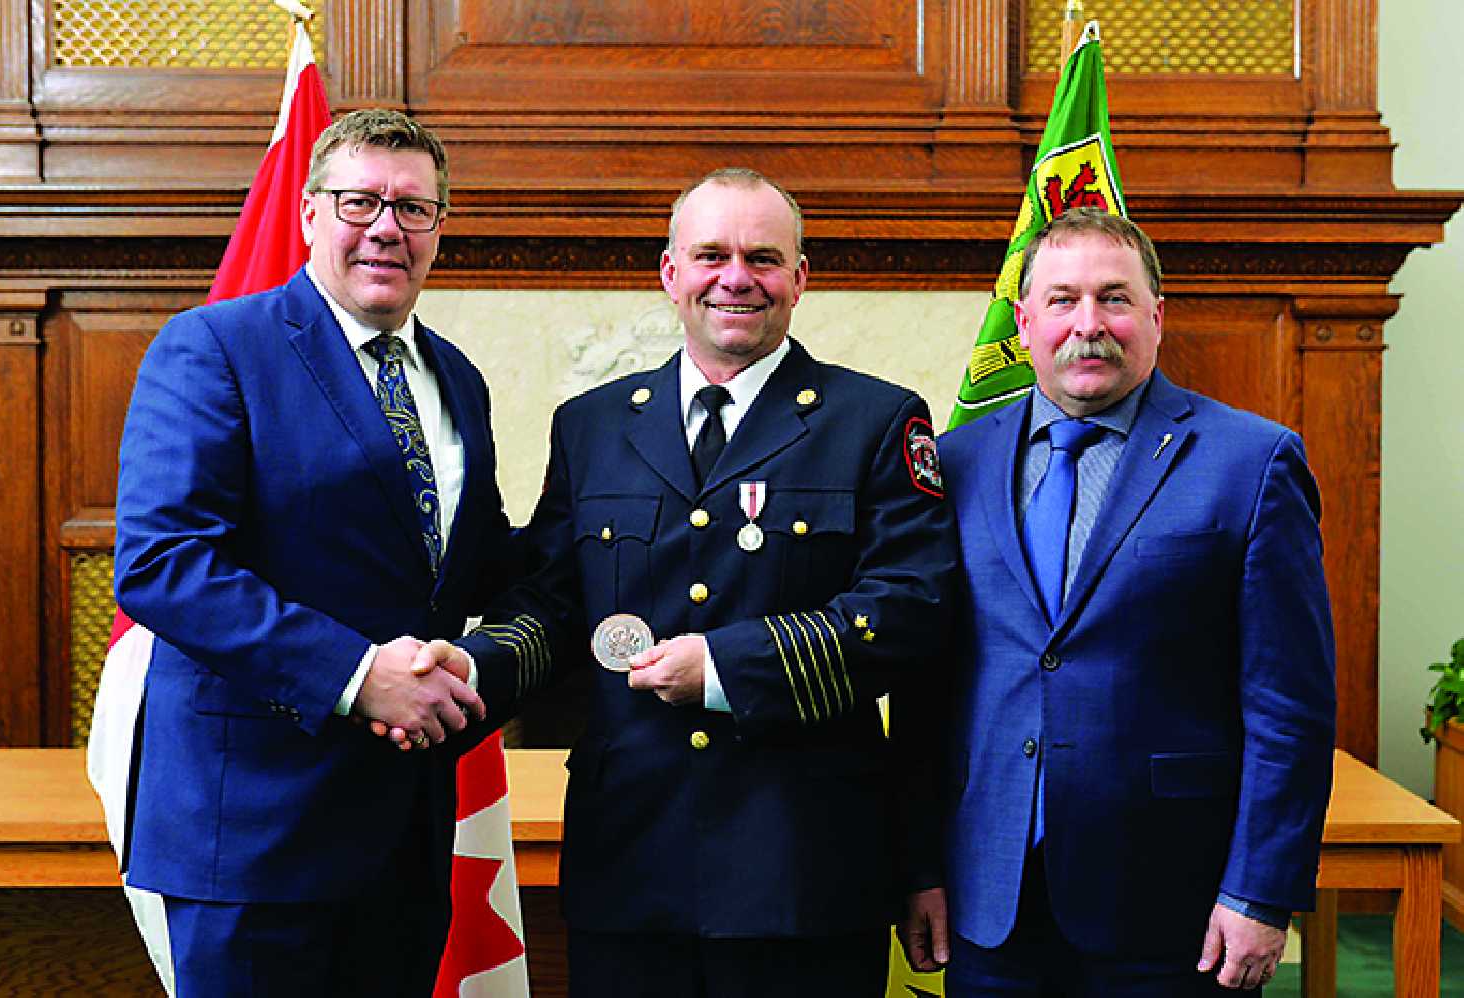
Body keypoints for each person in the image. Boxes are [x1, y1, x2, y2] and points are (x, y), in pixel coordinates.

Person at [412, 167, 957, 997]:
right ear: (670, 274)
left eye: (763, 258)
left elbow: (909, 611)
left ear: (800, 279)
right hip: (631, 863)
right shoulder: (593, 424)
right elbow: (557, 605)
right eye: (711, 255)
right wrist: (475, 669)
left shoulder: (877, 421)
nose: (736, 278)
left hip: (802, 868)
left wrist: (729, 668)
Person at [114, 109, 512, 996]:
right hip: (255, 833)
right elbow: (162, 563)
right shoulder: (215, 347)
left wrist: (638, 549)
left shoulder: (455, 378)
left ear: (440, 228)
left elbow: (469, 564)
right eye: (359, 201)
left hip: (403, 830)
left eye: (413, 209)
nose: (385, 228)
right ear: (306, 213)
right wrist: (354, 672)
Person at [898, 207, 1337, 994]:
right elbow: (929, 692)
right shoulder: (956, 463)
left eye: (1115, 298)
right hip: (991, 898)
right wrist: (920, 866)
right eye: (1062, 300)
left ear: (1156, 317)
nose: (1088, 324)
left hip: (1172, 904)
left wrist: (1260, 891)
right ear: (1024, 322)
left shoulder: (1251, 461)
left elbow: (1290, 708)